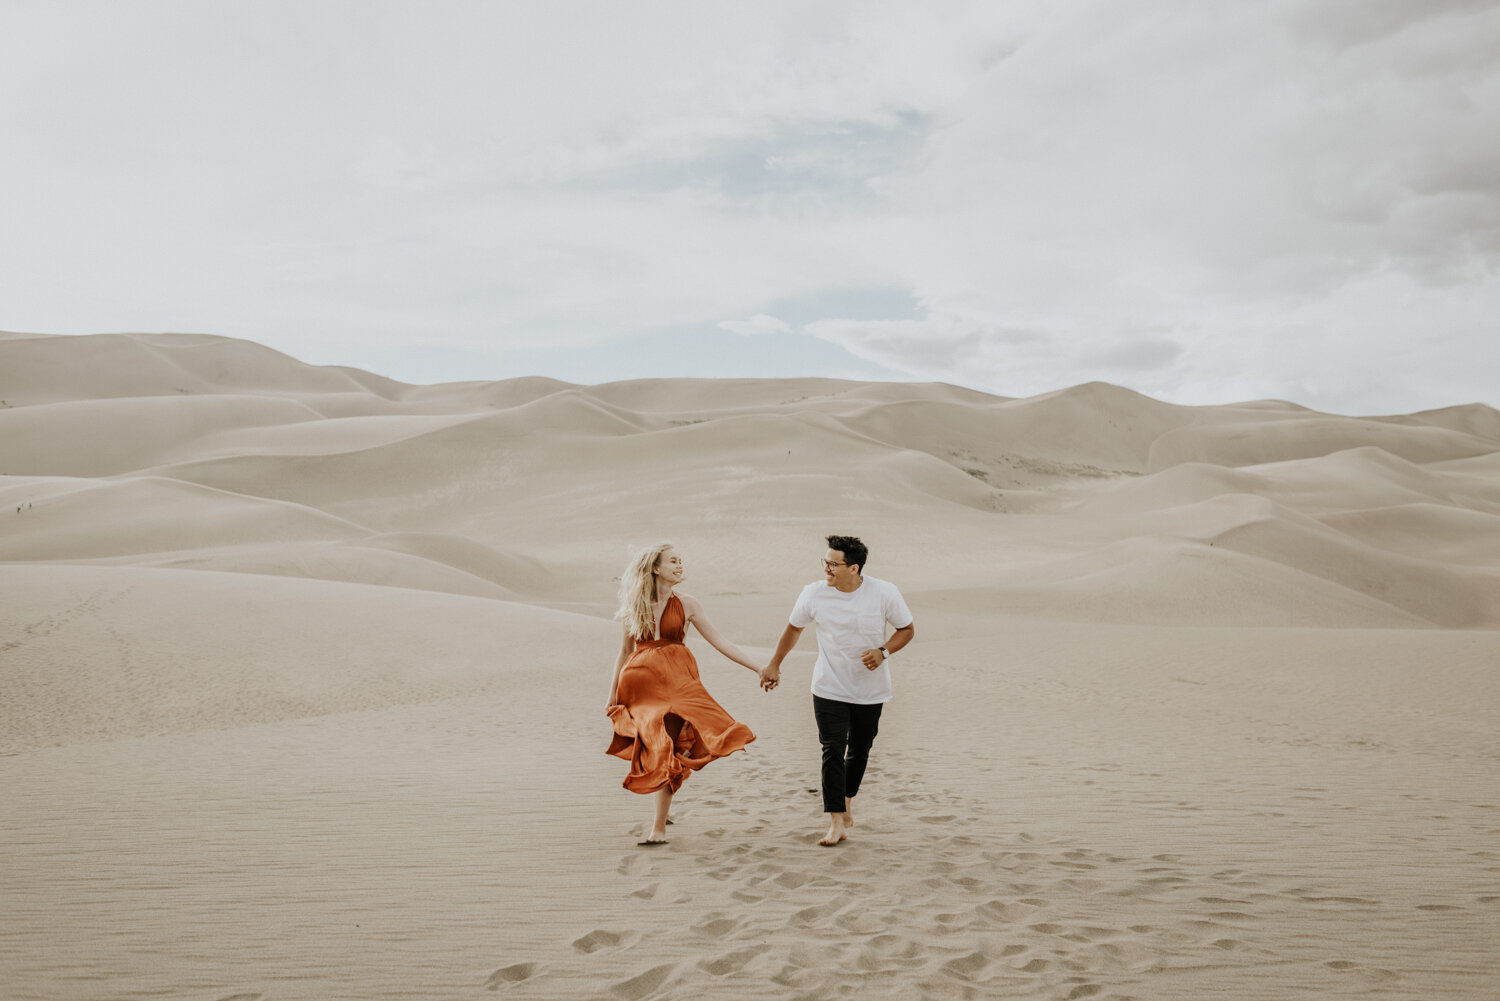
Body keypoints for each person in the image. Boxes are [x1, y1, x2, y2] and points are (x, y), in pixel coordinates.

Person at [759, 535, 914, 846]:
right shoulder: (813, 594)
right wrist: (774, 663)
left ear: (853, 568)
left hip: (871, 690)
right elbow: (793, 628)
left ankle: (846, 800)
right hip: (828, 686)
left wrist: (883, 651)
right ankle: (835, 821)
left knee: (860, 750)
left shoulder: (884, 592)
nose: (826, 569)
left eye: (833, 564)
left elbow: (907, 629)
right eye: (825, 562)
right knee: (832, 750)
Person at [606, 543, 762, 845]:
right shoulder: (634, 603)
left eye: (681, 561)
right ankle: (660, 821)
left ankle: (660, 821)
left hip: (680, 681)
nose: (680, 566)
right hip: (642, 686)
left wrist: (756, 667)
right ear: (655, 568)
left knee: (680, 741)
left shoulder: (688, 604)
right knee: (659, 745)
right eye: (673, 561)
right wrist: (613, 693)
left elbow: (720, 641)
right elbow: (624, 651)